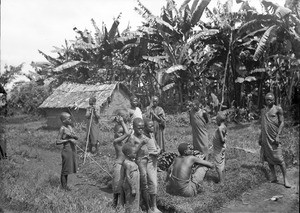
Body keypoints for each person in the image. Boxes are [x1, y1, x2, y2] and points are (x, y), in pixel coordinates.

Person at [259, 92, 291, 188]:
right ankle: (274, 176)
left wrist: (278, 135)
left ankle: (285, 179)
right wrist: (260, 137)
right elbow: (263, 125)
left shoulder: (278, 109)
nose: (269, 101)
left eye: (270, 99)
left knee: (280, 159)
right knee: (268, 158)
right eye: (267, 100)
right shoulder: (263, 111)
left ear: (274, 100)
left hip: (274, 138)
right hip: (265, 138)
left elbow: (282, 123)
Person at [126, 118, 151, 212]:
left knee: (146, 184)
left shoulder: (143, 135)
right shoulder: (132, 138)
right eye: (139, 128)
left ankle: (145, 205)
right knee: (143, 185)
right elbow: (131, 153)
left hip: (146, 161)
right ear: (134, 127)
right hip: (139, 161)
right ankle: (146, 207)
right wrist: (140, 144)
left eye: (142, 128)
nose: (141, 130)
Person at [112, 115, 132, 208]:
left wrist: (124, 124)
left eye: (122, 133)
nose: (121, 134)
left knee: (123, 185)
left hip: (124, 165)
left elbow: (128, 133)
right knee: (117, 186)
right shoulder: (116, 141)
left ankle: (122, 205)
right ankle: (114, 205)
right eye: (119, 133)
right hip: (119, 165)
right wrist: (122, 122)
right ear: (115, 133)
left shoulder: (123, 142)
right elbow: (127, 133)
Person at [56, 112, 78, 191]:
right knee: (65, 170)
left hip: (72, 150)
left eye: (70, 118)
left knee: (68, 169)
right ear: (63, 121)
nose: (70, 120)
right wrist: (68, 140)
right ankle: (64, 188)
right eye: (68, 119)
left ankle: (65, 187)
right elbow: (57, 141)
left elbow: (76, 137)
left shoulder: (70, 127)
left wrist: (73, 136)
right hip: (66, 151)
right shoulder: (62, 128)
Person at [144, 119, 162, 213]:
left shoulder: (151, 134)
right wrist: (151, 152)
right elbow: (140, 151)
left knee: (153, 183)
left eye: (152, 125)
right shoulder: (143, 137)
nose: (152, 127)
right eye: (150, 126)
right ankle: (152, 207)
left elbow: (156, 144)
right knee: (152, 183)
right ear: (144, 127)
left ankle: (152, 205)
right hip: (147, 162)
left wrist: (158, 149)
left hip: (154, 162)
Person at [121, 143, 140, 213]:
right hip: (130, 186)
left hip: (135, 185)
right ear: (128, 154)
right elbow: (128, 176)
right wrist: (132, 188)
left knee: (135, 201)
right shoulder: (127, 164)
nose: (136, 153)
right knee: (130, 202)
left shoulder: (131, 161)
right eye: (134, 153)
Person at [212, 112, 227, 183]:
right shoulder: (224, 127)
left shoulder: (220, 129)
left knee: (218, 165)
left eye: (216, 120)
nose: (215, 122)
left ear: (219, 121)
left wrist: (222, 137)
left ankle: (221, 182)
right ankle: (223, 178)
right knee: (221, 163)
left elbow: (222, 140)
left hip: (218, 149)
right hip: (222, 148)